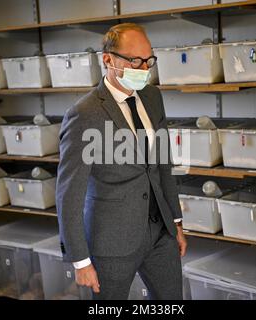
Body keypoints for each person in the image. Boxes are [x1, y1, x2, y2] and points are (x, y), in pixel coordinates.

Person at [56, 23, 187, 300]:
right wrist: (80, 259)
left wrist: (175, 221)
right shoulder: (84, 114)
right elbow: (69, 193)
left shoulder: (152, 96)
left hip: (159, 231)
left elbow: (162, 164)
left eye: (149, 61)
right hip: (112, 240)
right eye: (135, 61)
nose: (143, 69)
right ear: (108, 59)